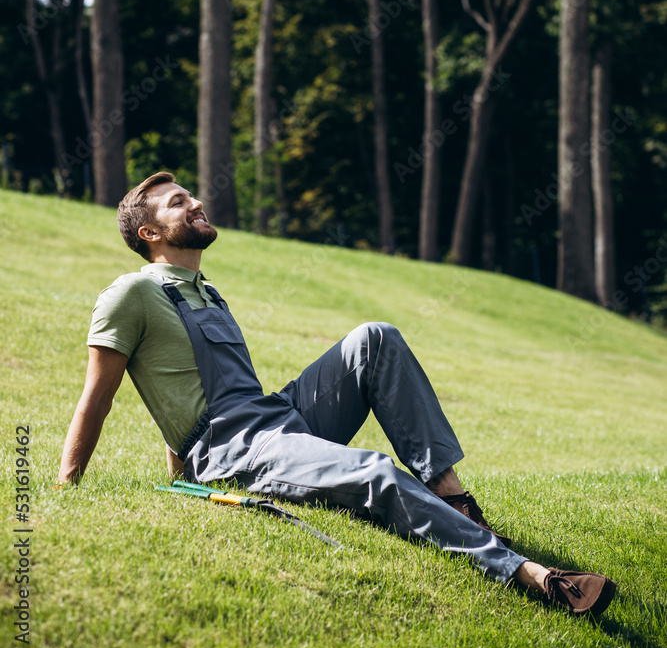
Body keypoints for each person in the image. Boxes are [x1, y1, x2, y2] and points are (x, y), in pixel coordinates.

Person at [58, 171, 616, 619]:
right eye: (179, 202)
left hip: (276, 417)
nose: (197, 202)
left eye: (191, 195)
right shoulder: (130, 294)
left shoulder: (207, 291)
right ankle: (530, 575)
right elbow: (97, 398)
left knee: (374, 338)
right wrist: (67, 487)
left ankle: (454, 502)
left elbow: (181, 388)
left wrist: (179, 473)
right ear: (149, 234)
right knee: (376, 471)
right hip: (237, 449)